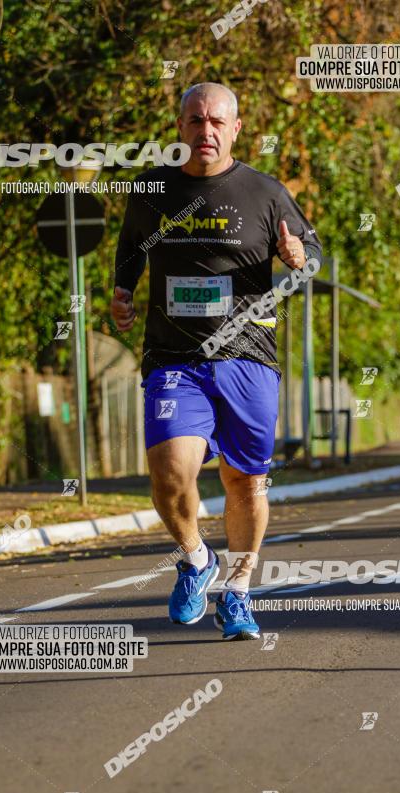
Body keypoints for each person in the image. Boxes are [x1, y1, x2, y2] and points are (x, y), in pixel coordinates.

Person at [111, 82, 322, 639]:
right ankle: (197, 558)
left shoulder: (264, 191)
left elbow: (312, 253)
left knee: (245, 483)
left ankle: (239, 591)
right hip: (174, 357)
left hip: (249, 357)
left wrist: (300, 257)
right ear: (180, 127)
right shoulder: (152, 187)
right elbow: (131, 247)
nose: (205, 131)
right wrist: (122, 291)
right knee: (168, 472)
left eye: (216, 122)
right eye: (195, 121)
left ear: (235, 129)